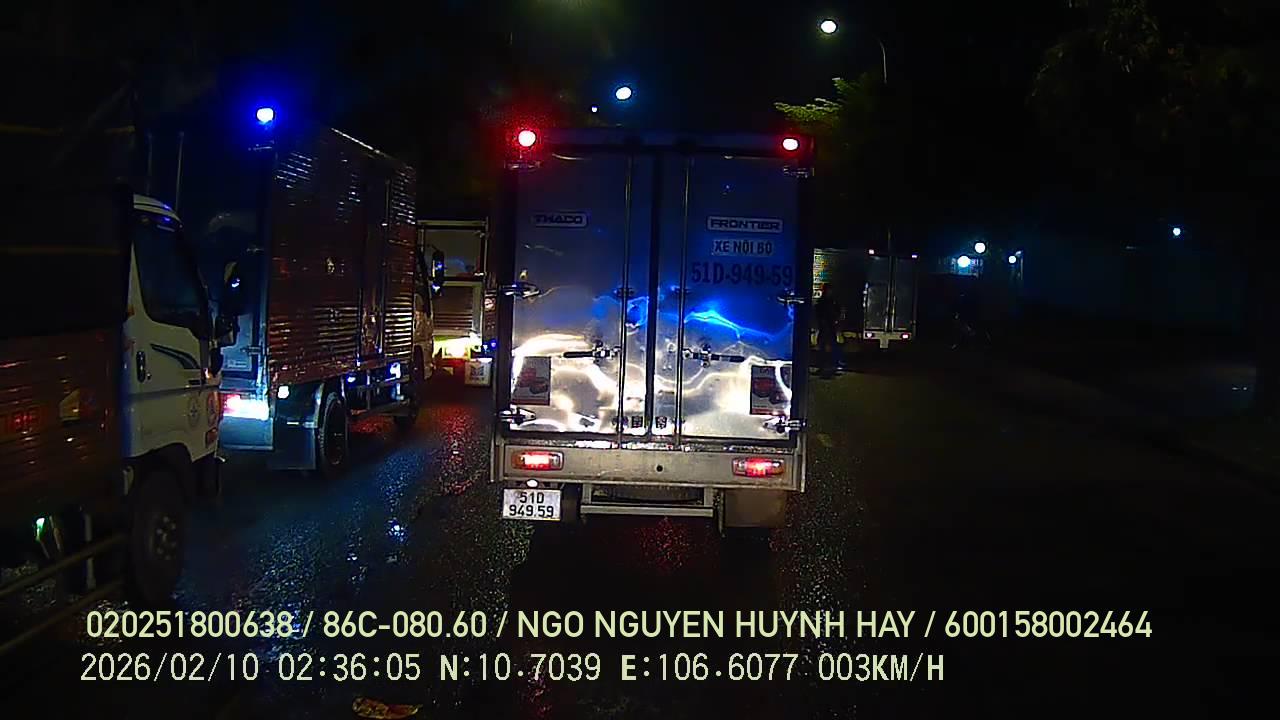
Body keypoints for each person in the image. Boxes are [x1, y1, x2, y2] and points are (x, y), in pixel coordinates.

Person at [815, 284, 841, 378]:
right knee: (824, 348)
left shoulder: (831, 302)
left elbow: (836, 312)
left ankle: (829, 367)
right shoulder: (824, 302)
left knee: (830, 348)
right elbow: (820, 314)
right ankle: (824, 367)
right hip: (826, 328)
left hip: (829, 327)